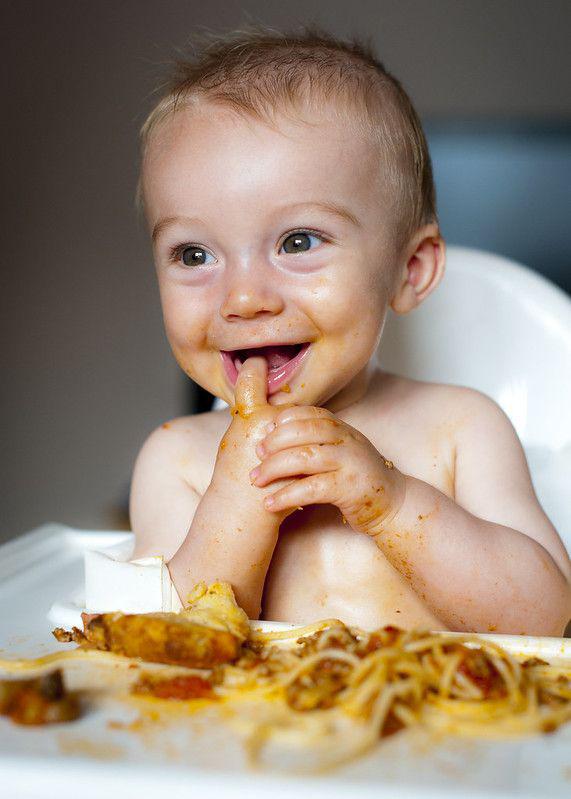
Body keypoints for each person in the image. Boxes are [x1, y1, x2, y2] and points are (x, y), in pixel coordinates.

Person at [129, 25, 571, 635]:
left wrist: (391, 501)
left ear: (409, 271)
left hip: (456, 719)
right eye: (194, 255)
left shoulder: (461, 430)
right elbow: (160, 645)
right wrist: (236, 499)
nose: (244, 298)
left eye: (298, 242)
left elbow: (547, 619)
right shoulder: (176, 459)